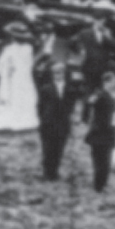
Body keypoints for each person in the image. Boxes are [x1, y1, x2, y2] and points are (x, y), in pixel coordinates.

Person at [33, 29, 76, 182]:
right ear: (52, 75)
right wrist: (43, 119)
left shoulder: (69, 89)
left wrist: (67, 117)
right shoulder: (46, 89)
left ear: (64, 75)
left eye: (61, 74)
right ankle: (47, 172)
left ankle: (55, 172)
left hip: (62, 123)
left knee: (59, 148)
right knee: (47, 148)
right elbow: (40, 105)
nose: (58, 76)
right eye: (56, 74)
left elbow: (71, 105)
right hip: (48, 122)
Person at [0, 23, 39, 132]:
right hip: (25, 78)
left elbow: (0, 66)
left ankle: (7, 122)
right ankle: (25, 122)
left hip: (11, 78)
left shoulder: (9, 49)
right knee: (24, 98)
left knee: (10, 97)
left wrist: (4, 70)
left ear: (12, 37)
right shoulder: (29, 49)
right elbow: (31, 64)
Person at [83, 68, 115, 194]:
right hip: (100, 133)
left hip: (109, 132)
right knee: (101, 161)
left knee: (106, 161)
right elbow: (89, 103)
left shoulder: (111, 95)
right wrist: (88, 120)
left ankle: (102, 184)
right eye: (113, 82)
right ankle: (99, 186)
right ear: (107, 82)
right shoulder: (100, 95)